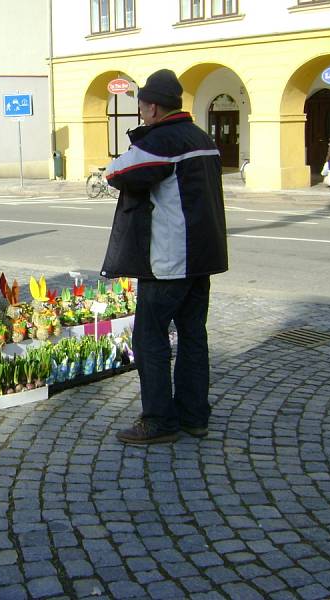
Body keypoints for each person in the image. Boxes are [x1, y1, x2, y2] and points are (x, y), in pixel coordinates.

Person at [101, 68, 228, 445]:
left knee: (150, 338)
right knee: (192, 335)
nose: (140, 112)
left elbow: (119, 172)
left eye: (140, 105)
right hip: (201, 259)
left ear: (153, 107)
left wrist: (130, 151)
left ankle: (158, 421)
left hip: (169, 261)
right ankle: (193, 416)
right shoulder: (202, 137)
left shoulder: (162, 141)